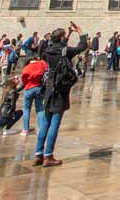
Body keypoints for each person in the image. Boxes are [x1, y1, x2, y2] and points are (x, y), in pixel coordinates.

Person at [33, 23, 88, 167]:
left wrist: (67, 34)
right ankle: (48, 156)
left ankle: (38, 154)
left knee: (45, 122)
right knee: (54, 125)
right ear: (62, 38)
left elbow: (58, 46)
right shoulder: (64, 51)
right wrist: (79, 31)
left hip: (49, 88)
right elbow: (82, 47)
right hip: (60, 89)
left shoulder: (47, 50)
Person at [20, 53, 47, 136]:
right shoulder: (41, 63)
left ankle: (25, 130)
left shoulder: (26, 68)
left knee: (27, 109)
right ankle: (40, 129)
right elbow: (46, 69)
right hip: (39, 88)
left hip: (28, 88)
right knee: (40, 109)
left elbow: (23, 80)